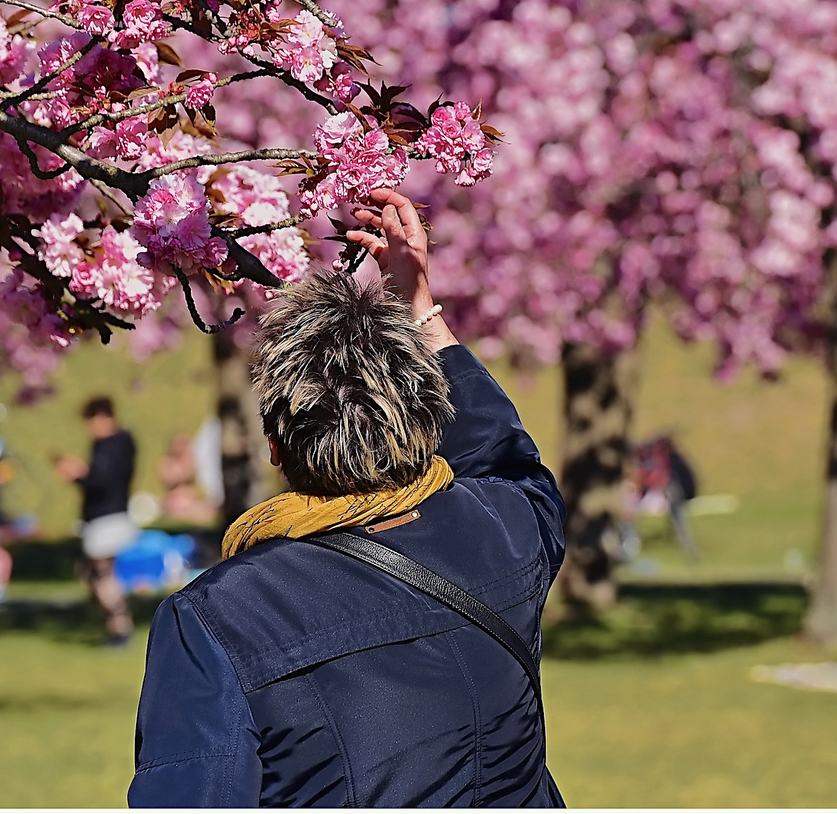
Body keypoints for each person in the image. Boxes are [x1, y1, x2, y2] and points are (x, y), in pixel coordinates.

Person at [128, 188, 566, 807]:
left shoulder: (221, 617)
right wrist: (418, 307)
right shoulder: (504, 533)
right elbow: (505, 458)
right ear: (426, 413)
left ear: (276, 449)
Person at [55, 396, 138, 646]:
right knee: (92, 573)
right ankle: (116, 625)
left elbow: (100, 483)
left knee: (102, 575)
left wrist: (77, 475)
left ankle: (121, 627)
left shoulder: (110, 445)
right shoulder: (122, 443)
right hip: (109, 517)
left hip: (106, 519)